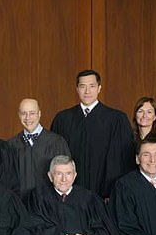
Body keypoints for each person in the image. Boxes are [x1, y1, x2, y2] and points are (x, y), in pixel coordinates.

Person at [51, 69, 134, 198]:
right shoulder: (63, 119)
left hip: (105, 196)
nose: (87, 91)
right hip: (68, 195)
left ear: (99, 88)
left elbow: (122, 161)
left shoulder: (117, 119)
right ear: (77, 89)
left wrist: (112, 194)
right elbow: (55, 158)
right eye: (82, 86)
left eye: (92, 86)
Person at [7, 98, 70, 201]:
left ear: (39, 114)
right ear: (19, 115)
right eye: (24, 113)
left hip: (50, 205)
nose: (28, 118)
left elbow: (67, 176)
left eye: (32, 113)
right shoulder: (11, 145)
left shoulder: (57, 142)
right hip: (20, 205)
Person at [131, 96, 156, 172]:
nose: (144, 116)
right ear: (135, 115)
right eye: (140, 111)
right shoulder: (128, 138)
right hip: (134, 182)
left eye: (149, 112)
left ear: (155, 117)